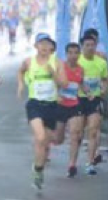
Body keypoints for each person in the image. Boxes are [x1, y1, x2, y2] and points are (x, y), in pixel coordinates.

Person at [18, 33, 64, 190]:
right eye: (41, 43)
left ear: (52, 47)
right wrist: (20, 85)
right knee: (40, 136)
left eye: (47, 44)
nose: (44, 47)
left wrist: (53, 74)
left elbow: (63, 83)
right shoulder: (29, 62)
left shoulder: (57, 63)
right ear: (36, 46)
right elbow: (21, 71)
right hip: (35, 104)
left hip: (51, 106)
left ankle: (38, 170)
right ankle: (38, 169)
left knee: (44, 142)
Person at [77, 33, 108, 174]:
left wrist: (104, 88)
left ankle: (90, 163)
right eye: (87, 45)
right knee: (78, 133)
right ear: (82, 46)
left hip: (94, 100)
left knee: (93, 131)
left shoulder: (101, 62)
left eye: (93, 45)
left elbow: (105, 79)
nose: (90, 48)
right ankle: (73, 160)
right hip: (79, 100)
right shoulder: (77, 61)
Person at [53, 43, 84, 178]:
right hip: (61, 106)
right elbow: (53, 84)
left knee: (75, 134)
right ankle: (46, 142)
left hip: (74, 105)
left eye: (76, 53)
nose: (73, 56)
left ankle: (72, 165)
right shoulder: (61, 68)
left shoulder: (81, 69)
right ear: (66, 54)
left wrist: (88, 91)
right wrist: (57, 95)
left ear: (79, 54)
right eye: (70, 53)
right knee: (58, 139)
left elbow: (81, 83)